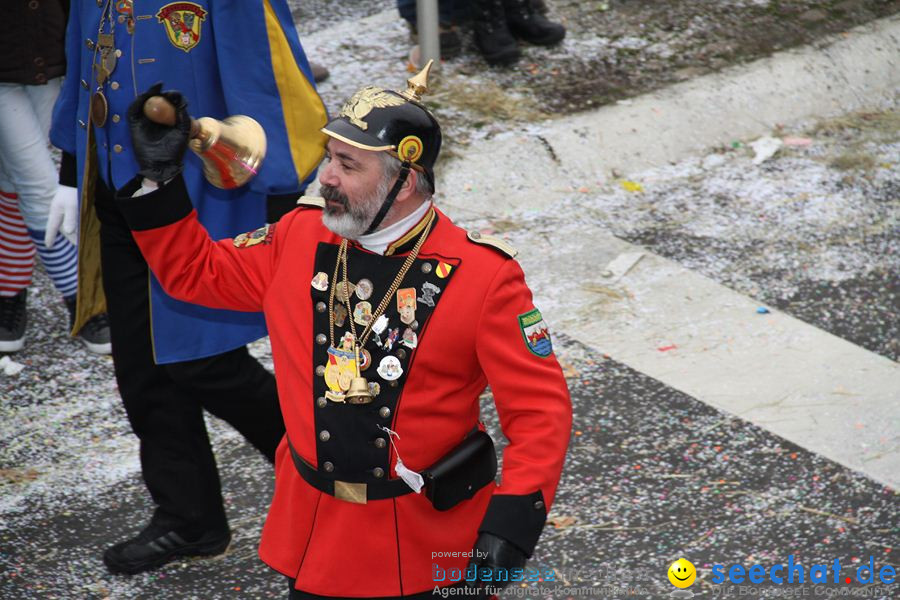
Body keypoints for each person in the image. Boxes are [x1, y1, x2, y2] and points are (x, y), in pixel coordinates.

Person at [114, 62, 572, 598]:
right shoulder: (300, 234)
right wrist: (158, 182)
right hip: (315, 528)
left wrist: (507, 534)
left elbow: (540, 415)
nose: (326, 176)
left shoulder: (485, 279)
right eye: (330, 157)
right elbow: (195, 274)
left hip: (427, 540)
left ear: (403, 182)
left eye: (347, 165)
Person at [48, 0, 327, 575]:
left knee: (206, 364)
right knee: (143, 367)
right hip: (117, 187)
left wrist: (278, 206)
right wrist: (69, 171)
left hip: (207, 194)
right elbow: (82, 62)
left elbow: (265, 76)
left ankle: (329, 475)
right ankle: (189, 518)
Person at [0, 0, 111, 354]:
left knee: (12, 180)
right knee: (40, 187)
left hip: (50, 62)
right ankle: (82, 297)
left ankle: (8, 290)